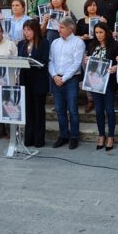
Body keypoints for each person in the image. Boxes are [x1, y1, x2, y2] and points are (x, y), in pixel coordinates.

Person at [49, 17, 86, 149]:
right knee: (60, 110)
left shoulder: (78, 42)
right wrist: (54, 75)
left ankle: (74, 137)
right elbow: (50, 61)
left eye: (62, 27)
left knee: (73, 110)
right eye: (59, 27)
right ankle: (63, 135)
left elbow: (76, 64)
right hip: (56, 79)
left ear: (70, 29)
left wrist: (63, 78)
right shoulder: (55, 43)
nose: (59, 30)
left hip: (70, 80)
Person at [84, 22, 118, 151]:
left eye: (101, 32)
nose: (98, 35)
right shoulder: (92, 45)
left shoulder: (115, 45)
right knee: (99, 110)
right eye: (97, 32)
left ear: (106, 32)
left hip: (108, 82)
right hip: (95, 82)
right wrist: (87, 60)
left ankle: (111, 136)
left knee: (109, 110)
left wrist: (115, 67)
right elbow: (89, 63)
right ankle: (101, 135)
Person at [18, 19, 50, 147]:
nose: (27, 33)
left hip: (38, 80)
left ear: (35, 30)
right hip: (25, 80)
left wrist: (32, 62)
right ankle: (28, 138)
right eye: (25, 30)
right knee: (28, 111)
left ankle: (39, 140)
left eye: (29, 30)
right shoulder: (21, 44)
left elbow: (44, 60)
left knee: (38, 111)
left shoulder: (44, 42)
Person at [76, 0, 101, 113]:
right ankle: (90, 99)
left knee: (99, 74)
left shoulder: (100, 20)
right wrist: (83, 37)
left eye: (94, 5)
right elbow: (75, 36)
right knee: (88, 75)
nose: (92, 7)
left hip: (98, 50)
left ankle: (99, 98)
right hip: (85, 50)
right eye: (90, 5)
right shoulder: (81, 21)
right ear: (86, 8)